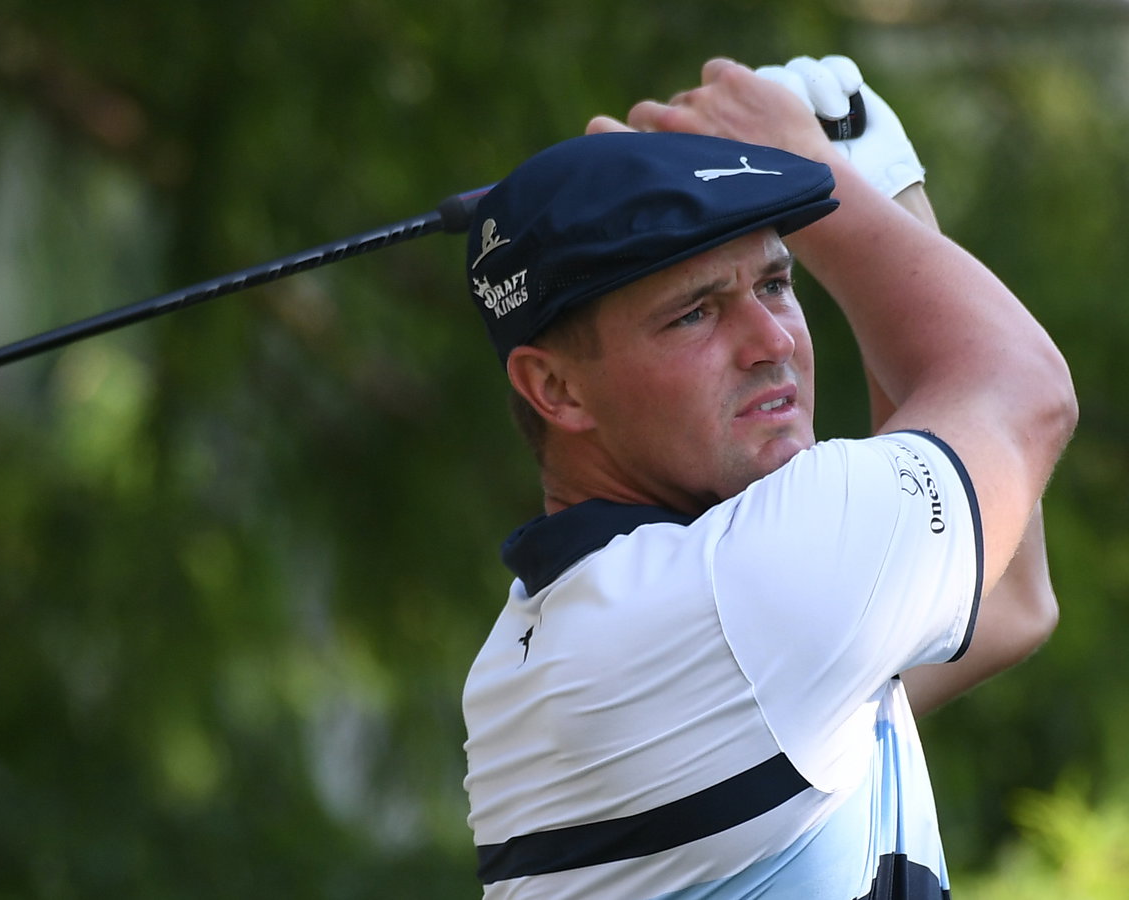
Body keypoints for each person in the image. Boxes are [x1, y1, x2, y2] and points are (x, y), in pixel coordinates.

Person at [459, 55, 1077, 898]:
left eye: (777, 283)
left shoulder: (575, 625)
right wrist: (842, 174)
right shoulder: (733, 596)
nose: (772, 340)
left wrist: (865, 187)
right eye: (696, 312)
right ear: (556, 388)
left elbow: (1007, 603)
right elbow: (1023, 394)